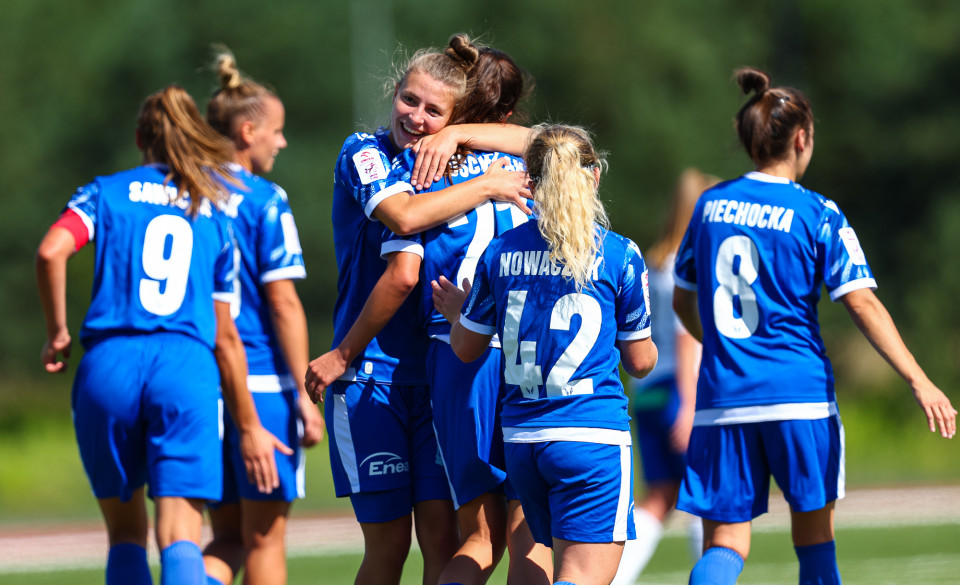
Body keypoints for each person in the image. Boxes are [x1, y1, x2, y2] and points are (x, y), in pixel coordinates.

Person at [672, 67, 957, 585]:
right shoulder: (818, 212)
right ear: (801, 139)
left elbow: (682, 299)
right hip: (798, 397)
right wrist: (920, 380)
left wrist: (721, 348)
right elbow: (862, 303)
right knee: (815, 544)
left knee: (725, 544)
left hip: (724, 399)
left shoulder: (709, 206)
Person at [35, 85, 289, 585]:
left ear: (139, 139)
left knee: (126, 535)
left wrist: (57, 332)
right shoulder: (212, 209)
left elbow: (50, 251)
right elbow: (226, 336)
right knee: (180, 536)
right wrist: (248, 425)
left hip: (109, 362)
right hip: (186, 366)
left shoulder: (104, 192)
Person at [304, 34, 532, 585]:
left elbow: (542, 140)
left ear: (456, 119)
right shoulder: (366, 151)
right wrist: (488, 185)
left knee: (442, 540)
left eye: (435, 111)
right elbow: (405, 219)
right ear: (394, 92)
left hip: (435, 371)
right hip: (372, 371)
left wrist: (459, 139)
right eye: (410, 100)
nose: (417, 116)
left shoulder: (446, 158)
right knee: (389, 547)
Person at [437, 123, 659, 585]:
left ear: (531, 181)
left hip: (524, 440)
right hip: (591, 435)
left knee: (531, 566)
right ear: (594, 175)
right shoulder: (619, 253)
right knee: (580, 576)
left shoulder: (500, 251)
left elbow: (465, 347)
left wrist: (461, 314)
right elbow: (640, 362)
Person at [403, 47, 552, 585]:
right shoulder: (538, 165)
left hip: (459, 347)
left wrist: (452, 135)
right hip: (527, 351)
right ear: (507, 114)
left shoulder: (423, 158)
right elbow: (561, 143)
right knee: (531, 530)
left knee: (480, 537)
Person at [200, 48, 324, 585]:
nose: (282, 142)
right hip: (259, 383)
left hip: (200, 384)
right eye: (277, 131)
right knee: (264, 540)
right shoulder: (265, 199)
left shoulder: (183, 192)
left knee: (224, 538)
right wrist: (304, 394)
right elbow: (283, 302)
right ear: (248, 132)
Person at [611, 169, 718, 585]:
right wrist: (690, 404)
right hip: (680, 392)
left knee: (659, 498)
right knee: (703, 495)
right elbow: (685, 336)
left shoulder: (656, 262)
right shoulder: (690, 265)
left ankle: (614, 578)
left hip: (648, 392)